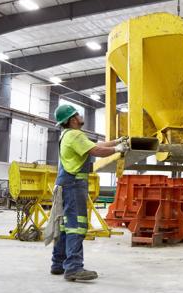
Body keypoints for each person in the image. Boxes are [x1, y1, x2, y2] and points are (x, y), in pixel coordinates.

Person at [51, 103, 127, 282]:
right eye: (77, 114)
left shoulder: (68, 135)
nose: (80, 116)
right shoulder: (75, 135)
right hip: (73, 183)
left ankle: (58, 263)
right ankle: (74, 268)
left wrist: (117, 142)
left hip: (64, 183)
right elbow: (96, 150)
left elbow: (95, 145)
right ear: (72, 119)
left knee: (64, 226)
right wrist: (118, 150)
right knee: (77, 225)